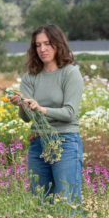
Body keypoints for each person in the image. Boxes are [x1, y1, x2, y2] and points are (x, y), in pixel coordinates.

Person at [6, 24, 84, 203]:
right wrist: (22, 105)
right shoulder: (30, 77)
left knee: (67, 201)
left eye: (47, 44)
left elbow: (70, 113)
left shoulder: (71, 73)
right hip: (37, 142)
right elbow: (26, 118)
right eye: (38, 45)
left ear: (58, 44)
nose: (42, 49)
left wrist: (40, 109)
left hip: (65, 141)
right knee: (40, 202)